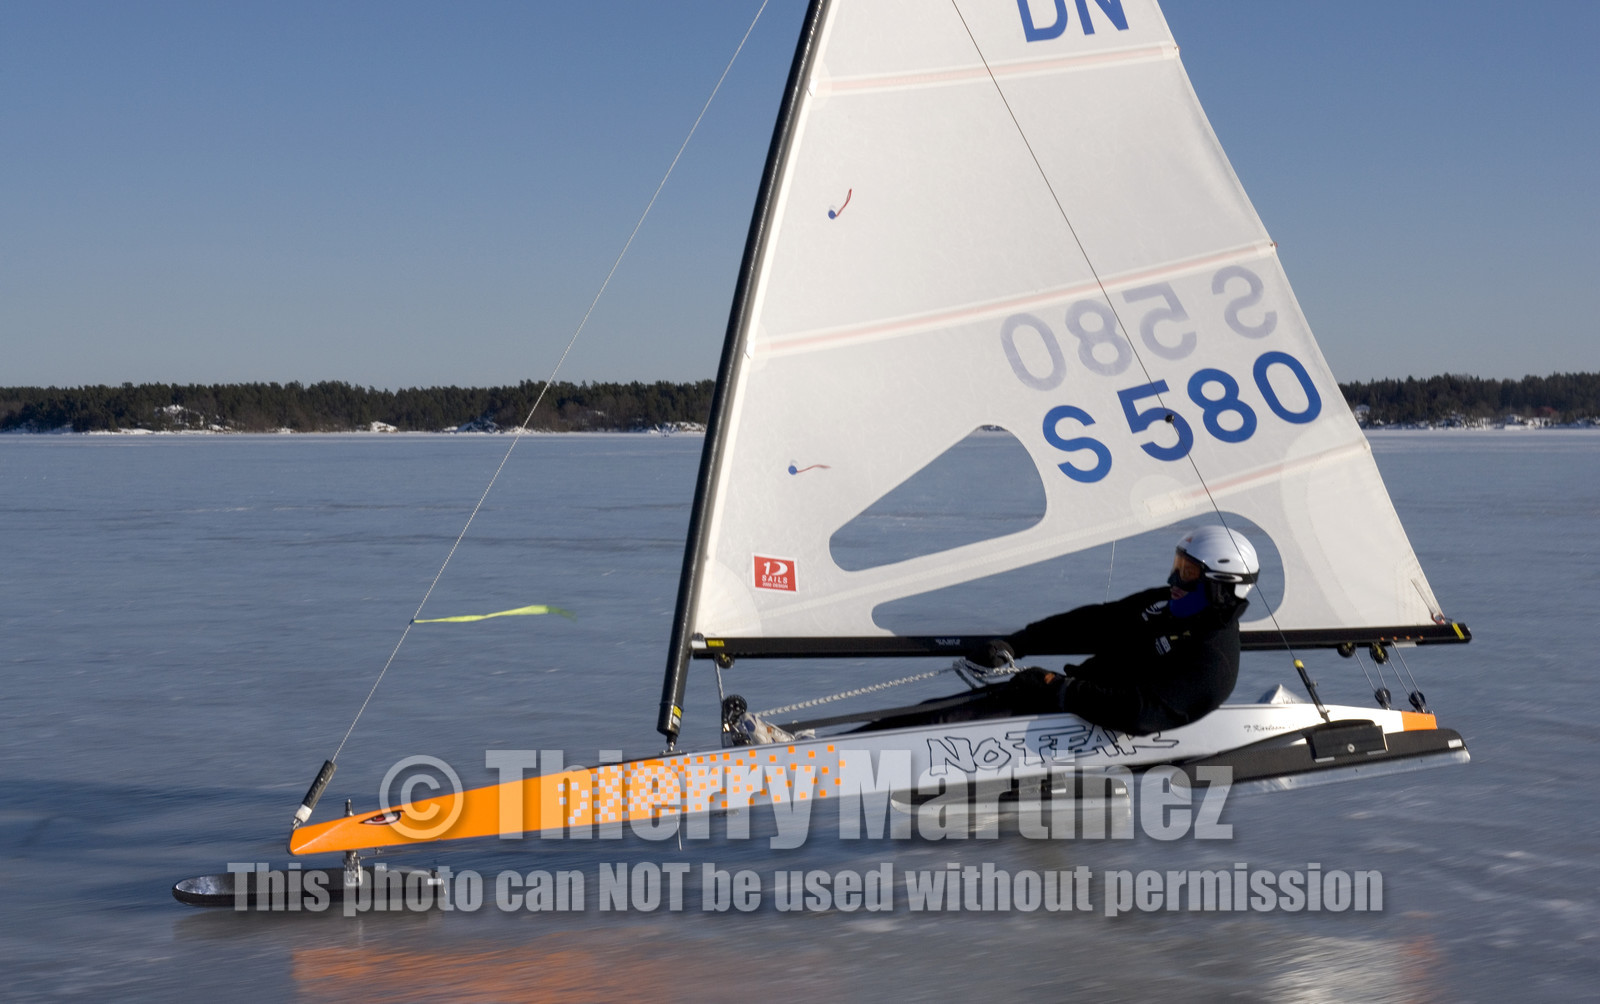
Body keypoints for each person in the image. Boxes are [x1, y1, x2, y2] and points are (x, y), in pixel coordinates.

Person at [863, 526, 1259, 736]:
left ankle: (820, 761)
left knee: (943, 723)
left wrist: (1057, 687)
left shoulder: (1214, 661)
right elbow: (1096, 623)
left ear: (1221, 588)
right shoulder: (1167, 604)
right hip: (1074, 700)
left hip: (1098, 721)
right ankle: (818, 747)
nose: (1174, 578)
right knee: (933, 710)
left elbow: (1142, 713)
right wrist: (1016, 644)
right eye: (1176, 564)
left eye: (1187, 572)